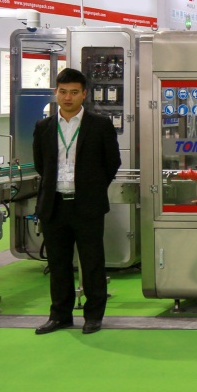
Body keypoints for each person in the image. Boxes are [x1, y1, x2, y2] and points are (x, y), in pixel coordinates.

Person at [33, 68, 122, 335]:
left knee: (92, 261)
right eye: (63, 92)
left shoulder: (100, 125)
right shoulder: (44, 127)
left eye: (74, 92)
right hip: (54, 204)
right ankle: (60, 315)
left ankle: (93, 316)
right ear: (56, 93)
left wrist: (93, 188)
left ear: (84, 94)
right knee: (58, 263)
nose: (67, 97)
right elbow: (40, 165)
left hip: (87, 205)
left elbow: (112, 162)